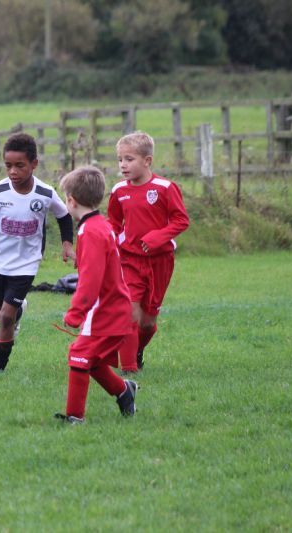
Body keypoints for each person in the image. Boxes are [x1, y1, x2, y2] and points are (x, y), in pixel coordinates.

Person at [0, 132, 74, 376]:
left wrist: (67, 244)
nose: (13, 171)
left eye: (20, 165)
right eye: (8, 165)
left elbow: (64, 215)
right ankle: (20, 310)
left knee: (6, 317)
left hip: (27, 264)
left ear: (34, 164)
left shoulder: (45, 193)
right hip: (0, 262)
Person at [54, 166, 137, 424]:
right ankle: (124, 391)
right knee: (92, 359)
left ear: (71, 200)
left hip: (106, 311)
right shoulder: (100, 225)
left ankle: (75, 417)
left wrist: (76, 312)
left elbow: (90, 280)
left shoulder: (89, 231)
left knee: (78, 355)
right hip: (115, 309)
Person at [107, 131, 190, 373]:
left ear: (147, 161)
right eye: (120, 159)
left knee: (147, 322)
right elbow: (114, 222)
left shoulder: (165, 188)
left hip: (160, 262)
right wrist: (107, 242)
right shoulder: (119, 190)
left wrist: (157, 237)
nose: (123, 165)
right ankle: (129, 370)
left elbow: (181, 220)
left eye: (129, 159)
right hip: (129, 260)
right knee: (129, 314)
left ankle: (137, 350)